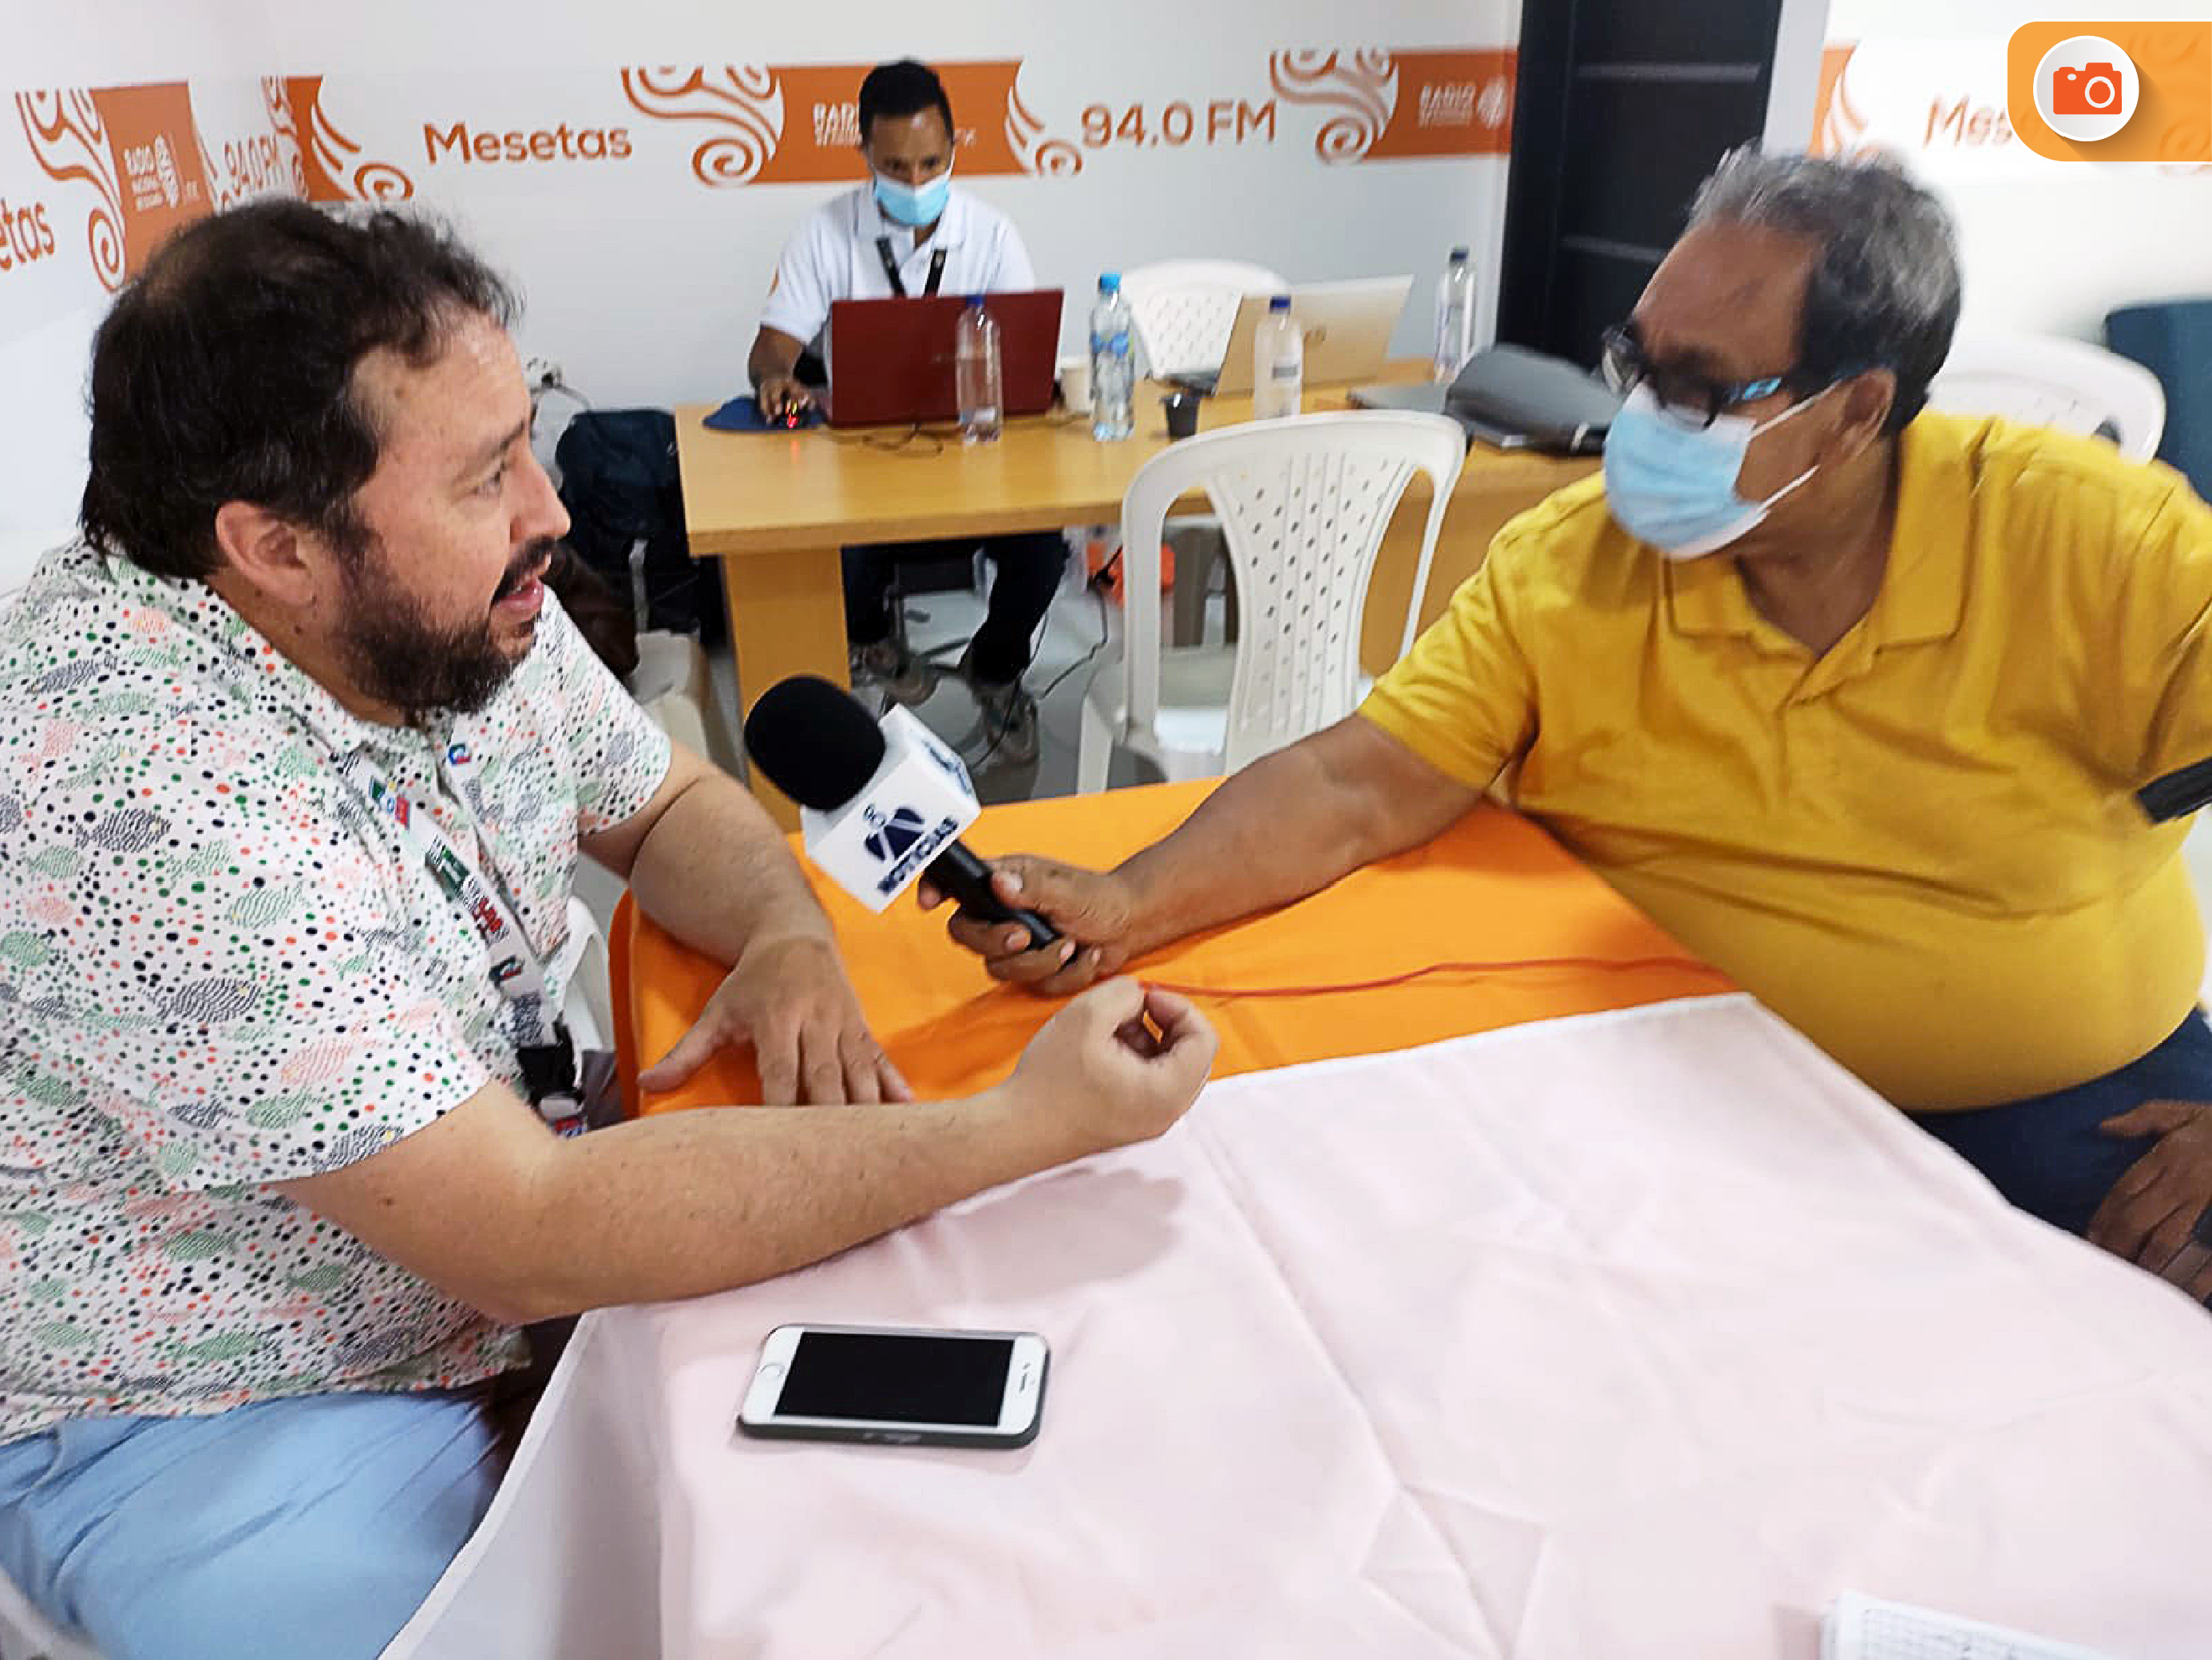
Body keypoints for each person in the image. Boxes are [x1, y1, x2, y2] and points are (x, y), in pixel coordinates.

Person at [0, 199, 1217, 1660]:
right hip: (215, 1400)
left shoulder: (439, 600)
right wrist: (1021, 1126)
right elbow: (524, 1231)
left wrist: (783, 933)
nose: (551, 509)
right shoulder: (141, 790)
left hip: (485, 1246)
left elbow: (666, 804)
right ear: (276, 547)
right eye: (485, 476)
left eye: (526, 440)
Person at [926, 146, 2212, 1307]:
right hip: (1668, 1091)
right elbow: (1357, 784)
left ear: (1854, 409)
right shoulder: (1570, 561)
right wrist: (1126, 901)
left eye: (1697, 389)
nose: (1640, 418)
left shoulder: (2091, 542)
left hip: (2065, 1112)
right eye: (1633, 364)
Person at [747, 57, 1066, 763]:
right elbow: (770, 351)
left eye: (931, 162)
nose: (916, 182)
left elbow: (1022, 358)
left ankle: (997, 665)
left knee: (1043, 546)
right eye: (895, 166)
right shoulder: (824, 232)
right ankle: (872, 641)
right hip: (860, 465)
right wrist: (776, 378)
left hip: (974, 457)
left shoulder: (991, 233)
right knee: (832, 547)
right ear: (864, 152)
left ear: (954, 148)